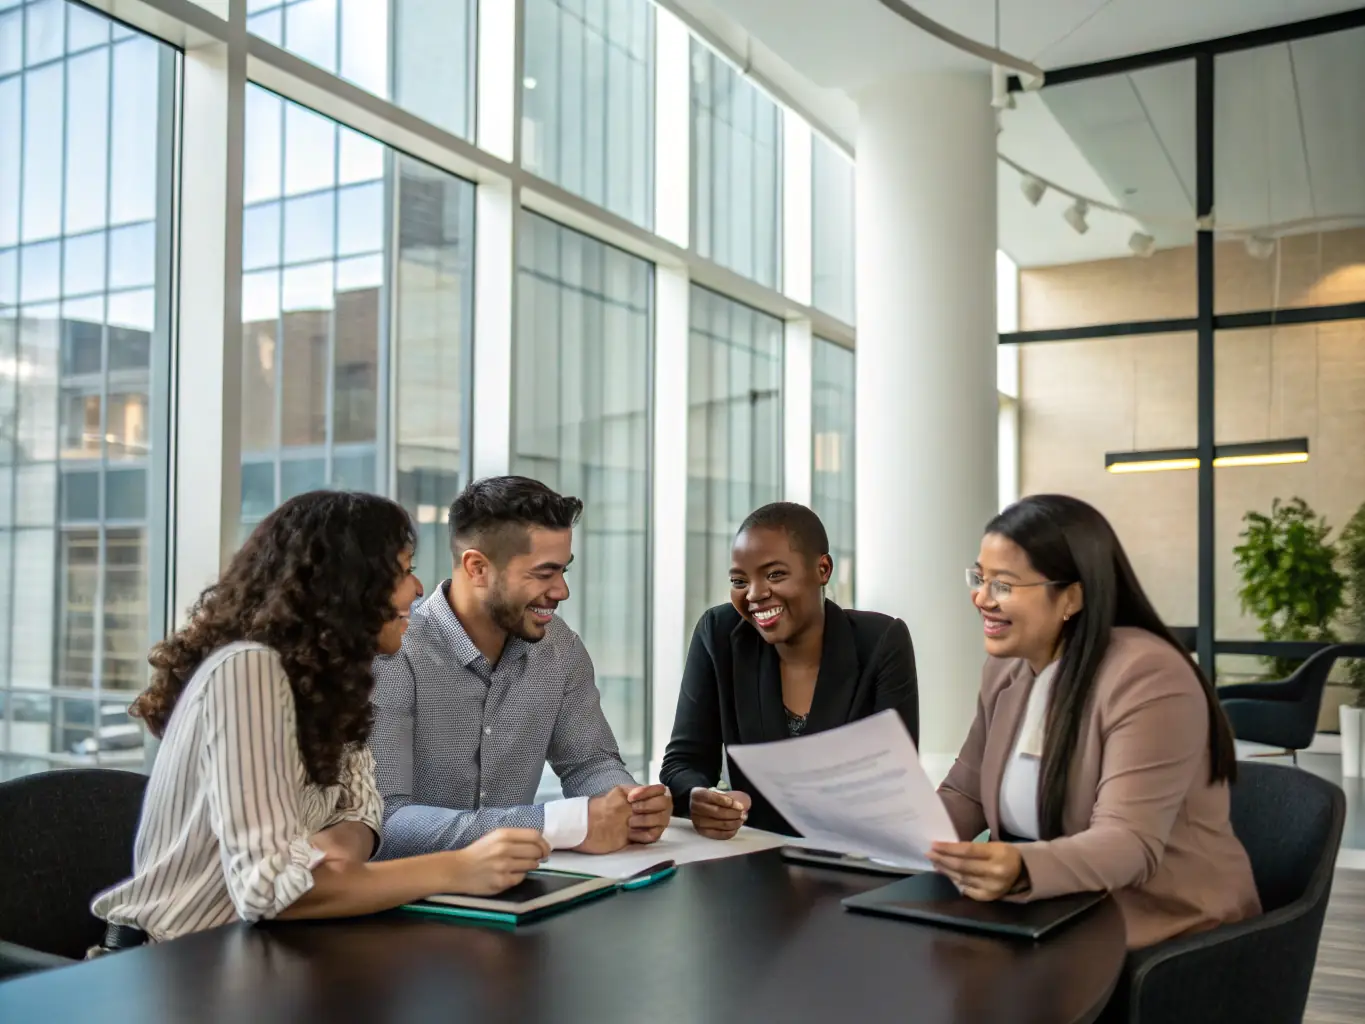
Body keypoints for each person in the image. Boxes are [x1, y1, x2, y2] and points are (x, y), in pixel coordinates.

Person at [92, 491, 549, 947]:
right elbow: (269, 892)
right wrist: (459, 867)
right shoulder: (247, 670)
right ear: (349, 585)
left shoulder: (332, 687)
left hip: (269, 947)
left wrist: (324, 863)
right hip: (172, 966)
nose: (416, 588)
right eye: (404, 570)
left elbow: (364, 814)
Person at [931, 494, 1261, 949]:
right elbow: (965, 794)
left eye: (1003, 585)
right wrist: (896, 829)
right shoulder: (1006, 670)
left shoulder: (1148, 675)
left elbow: (1128, 843)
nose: (981, 598)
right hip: (1053, 912)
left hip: (1170, 934)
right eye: (980, 578)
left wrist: (1023, 867)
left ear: (1071, 597)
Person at [370, 476, 671, 859]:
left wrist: (631, 804)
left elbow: (589, 763)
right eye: (544, 574)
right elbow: (384, 822)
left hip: (521, 890)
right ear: (477, 568)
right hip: (408, 902)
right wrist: (553, 824)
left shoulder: (560, 648)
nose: (562, 591)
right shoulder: (394, 653)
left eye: (564, 571)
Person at [661, 502, 919, 837]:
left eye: (775, 575)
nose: (754, 594)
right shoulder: (719, 633)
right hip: (752, 856)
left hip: (853, 852)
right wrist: (698, 797)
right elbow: (684, 761)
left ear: (822, 569)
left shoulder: (881, 642)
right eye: (739, 580)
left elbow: (895, 780)